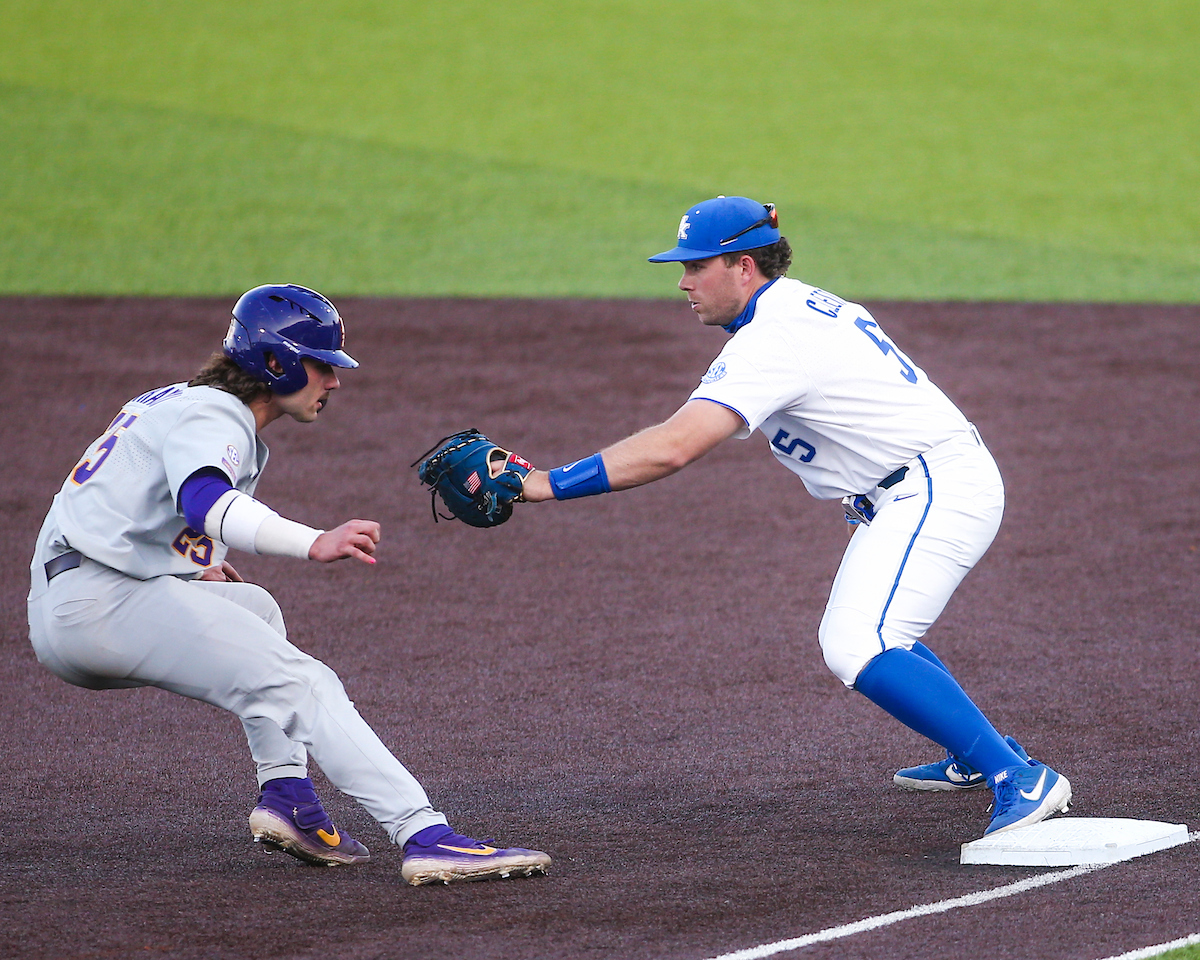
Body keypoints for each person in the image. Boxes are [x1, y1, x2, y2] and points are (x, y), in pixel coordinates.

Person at [514, 197, 1071, 837]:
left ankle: (1017, 777)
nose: (683, 282)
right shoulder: (795, 307)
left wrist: (544, 485)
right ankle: (975, 753)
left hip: (935, 487)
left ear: (743, 267)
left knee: (859, 642)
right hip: (922, 484)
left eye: (697, 266)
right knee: (882, 624)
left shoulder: (774, 338)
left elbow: (673, 447)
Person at [27, 283, 550, 884]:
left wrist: (183, 567)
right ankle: (423, 833)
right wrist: (312, 540)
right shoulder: (214, 412)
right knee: (308, 683)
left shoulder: (175, 402)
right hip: (99, 605)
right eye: (321, 365)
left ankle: (288, 799)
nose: (334, 382)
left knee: (255, 609)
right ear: (273, 362)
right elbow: (202, 500)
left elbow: (114, 504)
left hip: (72, 599)